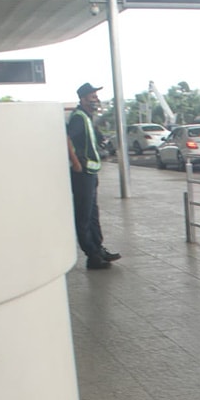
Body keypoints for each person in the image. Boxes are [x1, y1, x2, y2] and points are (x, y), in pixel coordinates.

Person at [67, 83, 120, 270]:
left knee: (93, 214)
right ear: (83, 99)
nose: (96, 99)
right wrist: (75, 162)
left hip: (91, 171)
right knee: (84, 215)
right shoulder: (79, 118)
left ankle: (98, 249)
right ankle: (92, 255)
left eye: (96, 96)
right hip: (82, 173)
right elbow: (66, 137)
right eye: (92, 96)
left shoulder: (87, 117)